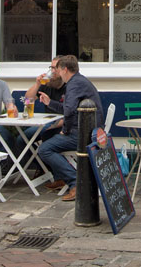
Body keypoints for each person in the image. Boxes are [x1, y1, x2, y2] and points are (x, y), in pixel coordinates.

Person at [37, 55, 104, 202]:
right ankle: (60, 178)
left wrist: (65, 131)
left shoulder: (74, 84)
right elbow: (68, 108)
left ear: (65, 69)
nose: (57, 73)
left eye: (58, 70)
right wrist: (50, 103)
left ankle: (76, 183)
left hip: (85, 133)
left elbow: (68, 112)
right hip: (90, 129)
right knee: (46, 136)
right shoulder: (79, 81)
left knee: (44, 150)